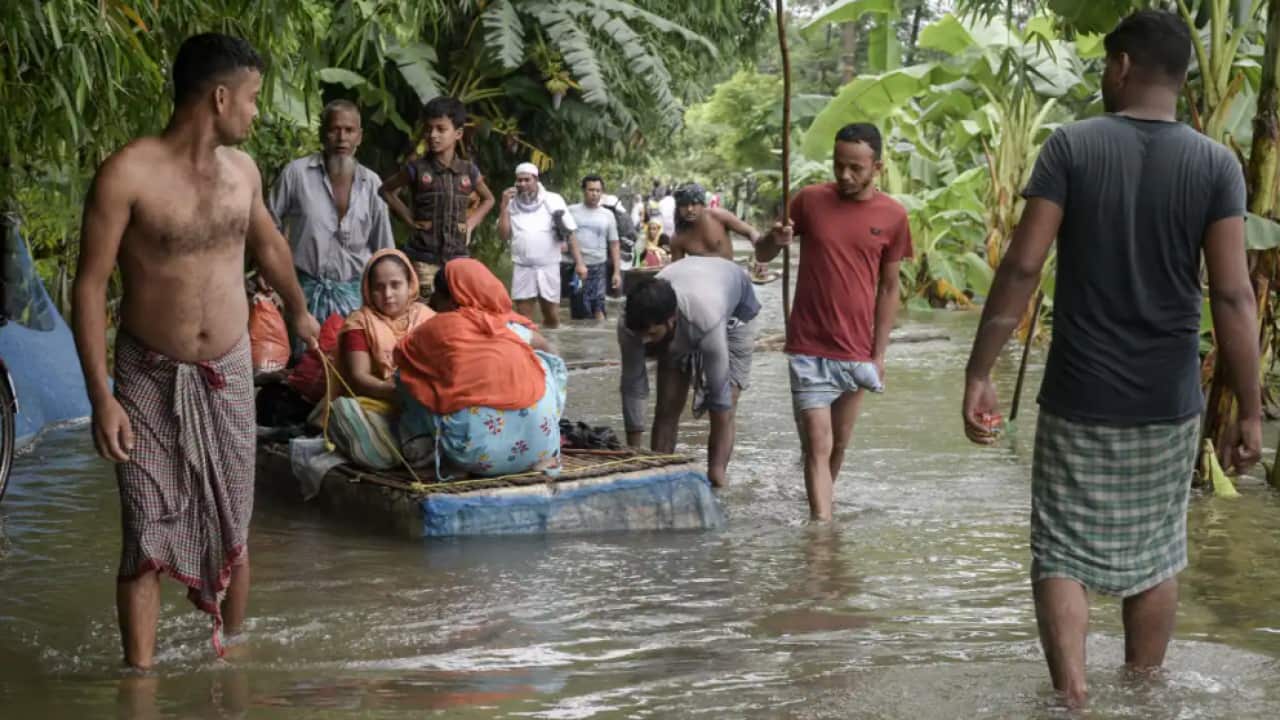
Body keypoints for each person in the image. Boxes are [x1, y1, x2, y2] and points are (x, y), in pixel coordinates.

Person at [961, 11, 1261, 706]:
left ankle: (1071, 695)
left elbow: (1022, 267)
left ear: (1122, 65)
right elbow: (1234, 296)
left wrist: (980, 371)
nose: (1101, 75)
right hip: (1168, 398)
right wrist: (1248, 408)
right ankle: (1144, 692)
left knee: (1061, 549)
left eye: (1104, 64)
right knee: (1157, 553)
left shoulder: (1071, 148)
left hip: (1078, 392)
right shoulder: (1216, 164)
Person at [71, 33, 321, 669]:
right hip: (147, 375)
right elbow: (92, 286)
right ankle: (142, 682)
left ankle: (227, 663)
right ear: (219, 97)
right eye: (253, 98)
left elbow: (269, 246)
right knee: (145, 530)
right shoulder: (128, 172)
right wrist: (102, 399)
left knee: (234, 522)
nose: (256, 112)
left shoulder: (244, 173)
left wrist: (297, 311)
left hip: (229, 370)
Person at [755, 123, 913, 522]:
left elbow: (889, 288)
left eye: (855, 168)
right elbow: (763, 252)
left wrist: (879, 354)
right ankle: (821, 535)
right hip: (809, 345)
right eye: (838, 165)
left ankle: (821, 503)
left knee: (839, 444)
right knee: (818, 444)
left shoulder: (893, 216)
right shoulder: (809, 201)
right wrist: (777, 238)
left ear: (877, 167)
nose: (844, 175)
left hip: (856, 350)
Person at [395, 259, 565, 477]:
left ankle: (424, 450)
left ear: (453, 297)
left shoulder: (437, 328)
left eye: (438, 293)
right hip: (540, 446)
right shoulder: (511, 326)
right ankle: (540, 444)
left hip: (471, 455)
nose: (432, 300)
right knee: (543, 361)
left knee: (408, 372)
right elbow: (551, 351)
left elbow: (400, 358)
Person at [618, 256, 760, 487]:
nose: (644, 342)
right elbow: (633, 385)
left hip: (733, 311)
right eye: (640, 335)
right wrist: (634, 456)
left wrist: (714, 476)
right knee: (667, 403)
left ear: (672, 321)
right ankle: (660, 475)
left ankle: (718, 478)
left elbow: (720, 396)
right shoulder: (629, 323)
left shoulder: (706, 322)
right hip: (689, 291)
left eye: (651, 334)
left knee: (726, 403)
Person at [268, 99, 393, 327]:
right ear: (322, 134)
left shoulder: (372, 184)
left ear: (360, 136)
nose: (342, 138)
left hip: (356, 302)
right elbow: (267, 227)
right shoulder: (296, 174)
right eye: (334, 130)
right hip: (302, 298)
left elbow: (384, 249)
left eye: (349, 130)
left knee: (351, 359)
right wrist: (271, 274)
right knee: (304, 361)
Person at [379, 96, 494, 297]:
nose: (433, 135)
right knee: (423, 311)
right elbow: (386, 190)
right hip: (422, 259)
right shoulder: (416, 168)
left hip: (458, 259)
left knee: (456, 312)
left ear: (458, 133)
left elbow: (489, 199)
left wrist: (470, 224)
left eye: (441, 129)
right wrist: (409, 219)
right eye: (429, 129)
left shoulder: (468, 171)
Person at [338, 249, 435, 402]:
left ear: (410, 285)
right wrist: (398, 393)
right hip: (375, 398)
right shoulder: (359, 322)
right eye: (378, 287)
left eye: (395, 285)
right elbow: (359, 377)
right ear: (368, 290)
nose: (388, 294)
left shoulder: (426, 317)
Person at [499, 163, 584, 329]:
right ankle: (528, 352)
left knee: (552, 317)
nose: (522, 184)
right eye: (519, 180)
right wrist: (503, 206)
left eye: (526, 180)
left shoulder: (553, 199)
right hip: (523, 267)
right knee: (523, 319)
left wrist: (580, 263)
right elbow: (503, 235)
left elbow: (570, 232)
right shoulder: (510, 202)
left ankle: (550, 347)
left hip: (549, 266)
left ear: (536, 179)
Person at [568, 175, 621, 319]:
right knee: (579, 311)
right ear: (584, 191)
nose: (595, 194)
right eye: (591, 190)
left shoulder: (608, 215)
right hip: (577, 268)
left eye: (598, 190)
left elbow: (614, 243)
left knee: (599, 309)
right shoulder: (572, 211)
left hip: (599, 267)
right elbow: (563, 235)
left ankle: (599, 338)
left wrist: (616, 272)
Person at [669, 182, 761, 261]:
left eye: (694, 203)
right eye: (684, 205)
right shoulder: (677, 238)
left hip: (729, 275)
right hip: (702, 279)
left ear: (702, 204)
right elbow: (677, 270)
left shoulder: (718, 216)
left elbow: (751, 231)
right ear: (678, 208)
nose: (689, 209)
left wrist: (761, 257)